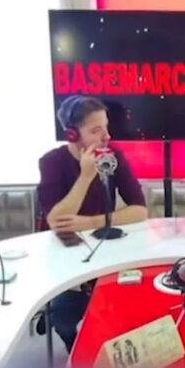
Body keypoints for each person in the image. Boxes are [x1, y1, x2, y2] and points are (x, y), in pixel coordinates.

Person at [36, 95, 147, 352]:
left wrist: (90, 222)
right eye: (96, 130)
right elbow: (57, 220)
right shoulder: (51, 162)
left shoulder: (113, 156)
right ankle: (73, 346)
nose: (107, 136)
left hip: (105, 252)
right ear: (73, 134)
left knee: (127, 306)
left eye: (106, 127)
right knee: (63, 317)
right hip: (66, 257)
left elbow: (140, 210)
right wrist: (86, 177)